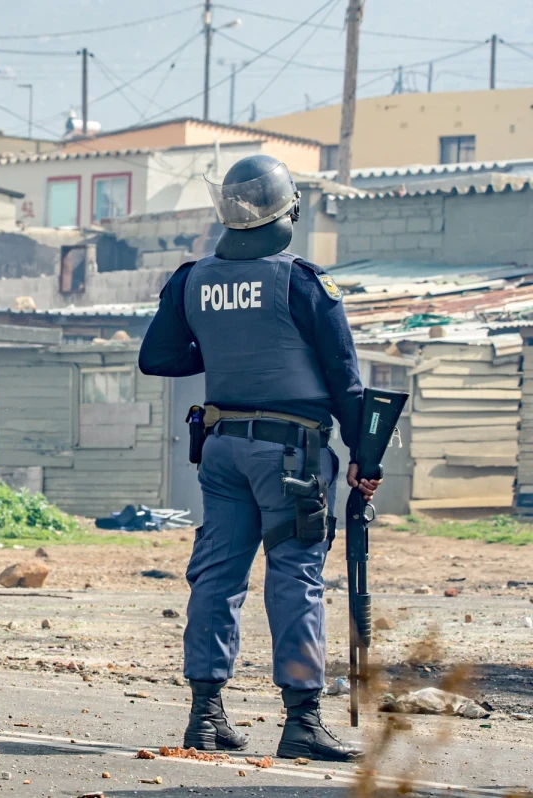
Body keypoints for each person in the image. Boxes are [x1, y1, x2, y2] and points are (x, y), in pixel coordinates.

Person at [138, 154, 379, 762]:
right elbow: (344, 379)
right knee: (294, 578)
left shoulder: (192, 277)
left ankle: (206, 718)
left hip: (220, 451)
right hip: (292, 457)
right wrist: (363, 457)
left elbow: (159, 357)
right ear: (286, 210)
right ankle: (301, 721)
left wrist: (224, 348)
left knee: (216, 578)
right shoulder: (302, 281)